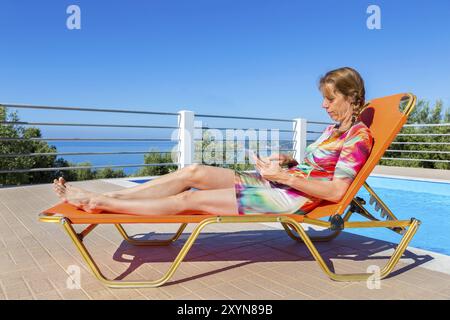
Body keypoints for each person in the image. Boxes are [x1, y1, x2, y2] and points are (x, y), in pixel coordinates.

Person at [53, 67, 373, 216]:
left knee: (190, 200)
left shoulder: (358, 136)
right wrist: (285, 162)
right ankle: (100, 195)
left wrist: (285, 177)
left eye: (330, 99)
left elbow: (335, 190)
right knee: (192, 172)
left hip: (293, 198)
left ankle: (103, 204)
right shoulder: (332, 131)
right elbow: (314, 166)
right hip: (280, 183)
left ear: (351, 97)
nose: (323, 105)